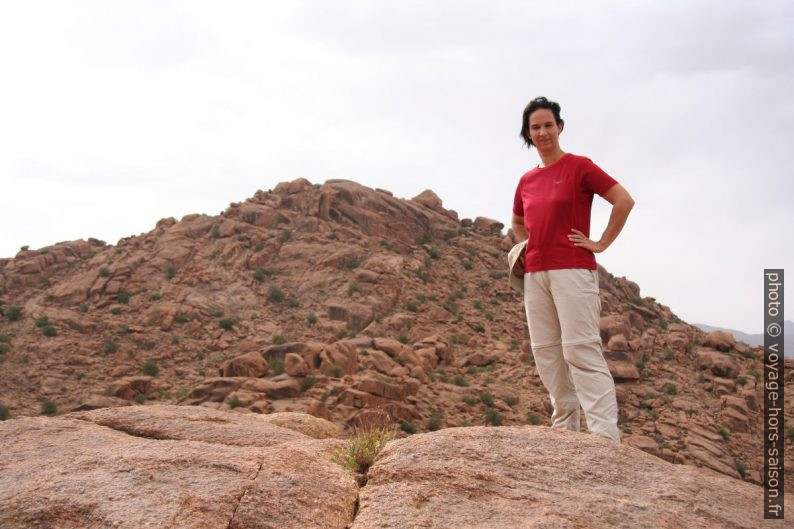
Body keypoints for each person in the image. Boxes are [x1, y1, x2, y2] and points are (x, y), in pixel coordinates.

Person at [511, 96, 634, 443]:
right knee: (547, 352)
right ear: (528, 134)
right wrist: (524, 245)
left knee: (580, 349)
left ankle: (604, 438)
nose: (543, 131)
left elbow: (623, 200)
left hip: (573, 270)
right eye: (536, 127)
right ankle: (565, 432)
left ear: (560, 127)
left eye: (549, 124)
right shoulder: (526, 181)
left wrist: (600, 243)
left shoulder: (579, 167)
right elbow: (518, 221)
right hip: (536, 274)